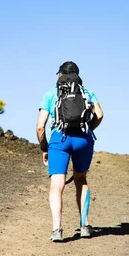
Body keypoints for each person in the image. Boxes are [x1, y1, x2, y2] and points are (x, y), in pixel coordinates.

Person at [36, 61, 104, 242]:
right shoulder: (87, 92)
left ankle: (57, 229)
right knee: (81, 179)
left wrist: (45, 148)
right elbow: (100, 114)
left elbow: (40, 128)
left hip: (60, 140)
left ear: (60, 75)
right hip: (83, 139)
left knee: (57, 185)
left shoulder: (50, 94)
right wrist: (89, 128)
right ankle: (85, 225)